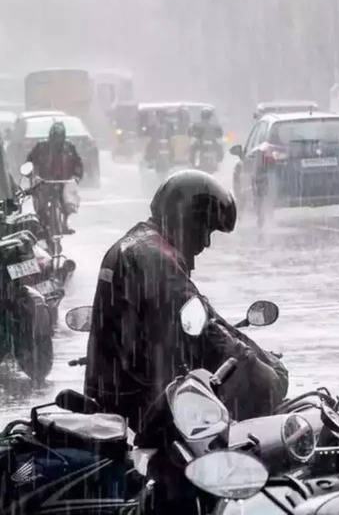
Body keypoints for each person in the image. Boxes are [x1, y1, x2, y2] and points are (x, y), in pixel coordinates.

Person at [83, 170, 289, 433]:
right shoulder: (154, 258)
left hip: (116, 396)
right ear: (186, 220)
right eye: (205, 230)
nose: (205, 243)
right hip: (144, 405)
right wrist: (260, 371)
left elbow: (197, 316)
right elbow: (206, 330)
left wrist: (255, 353)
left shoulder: (138, 244)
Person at [26, 121, 84, 234]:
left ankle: (64, 223)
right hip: (44, 181)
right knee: (40, 204)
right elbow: (30, 161)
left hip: (64, 180)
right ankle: (42, 225)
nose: (57, 141)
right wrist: (34, 176)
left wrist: (76, 177)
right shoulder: (40, 147)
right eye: (55, 137)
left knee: (68, 202)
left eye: (59, 137)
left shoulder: (69, 147)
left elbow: (78, 163)